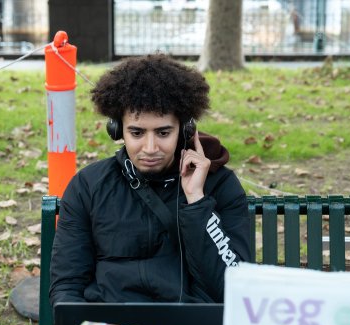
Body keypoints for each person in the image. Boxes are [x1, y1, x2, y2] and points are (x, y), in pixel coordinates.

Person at [49, 54, 251, 305]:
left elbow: (233, 285)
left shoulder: (218, 185)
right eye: (137, 132)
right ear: (117, 130)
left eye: (163, 132)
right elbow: (68, 284)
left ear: (185, 130)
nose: (150, 147)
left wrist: (197, 202)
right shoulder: (88, 186)